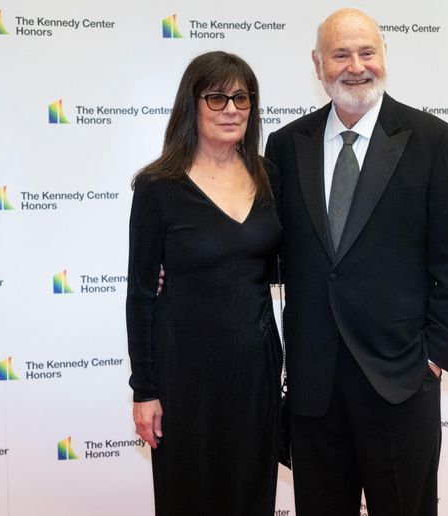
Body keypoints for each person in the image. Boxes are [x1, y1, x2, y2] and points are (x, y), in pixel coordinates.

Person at [264, 9, 448, 516]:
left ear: (384, 56)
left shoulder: (434, 141)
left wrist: (434, 357)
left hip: (400, 382)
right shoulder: (284, 146)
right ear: (318, 64)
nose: (355, 66)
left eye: (367, 52)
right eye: (341, 54)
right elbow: (269, 250)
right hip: (313, 388)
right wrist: (188, 265)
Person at [126, 51, 282, 516]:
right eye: (216, 97)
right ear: (191, 104)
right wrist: (144, 390)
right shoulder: (158, 186)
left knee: (251, 495)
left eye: (241, 97)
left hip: (255, 370)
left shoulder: (267, 174)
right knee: (188, 498)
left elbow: (280, 262)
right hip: (183, 376)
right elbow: (139, 296)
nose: (231, 109)